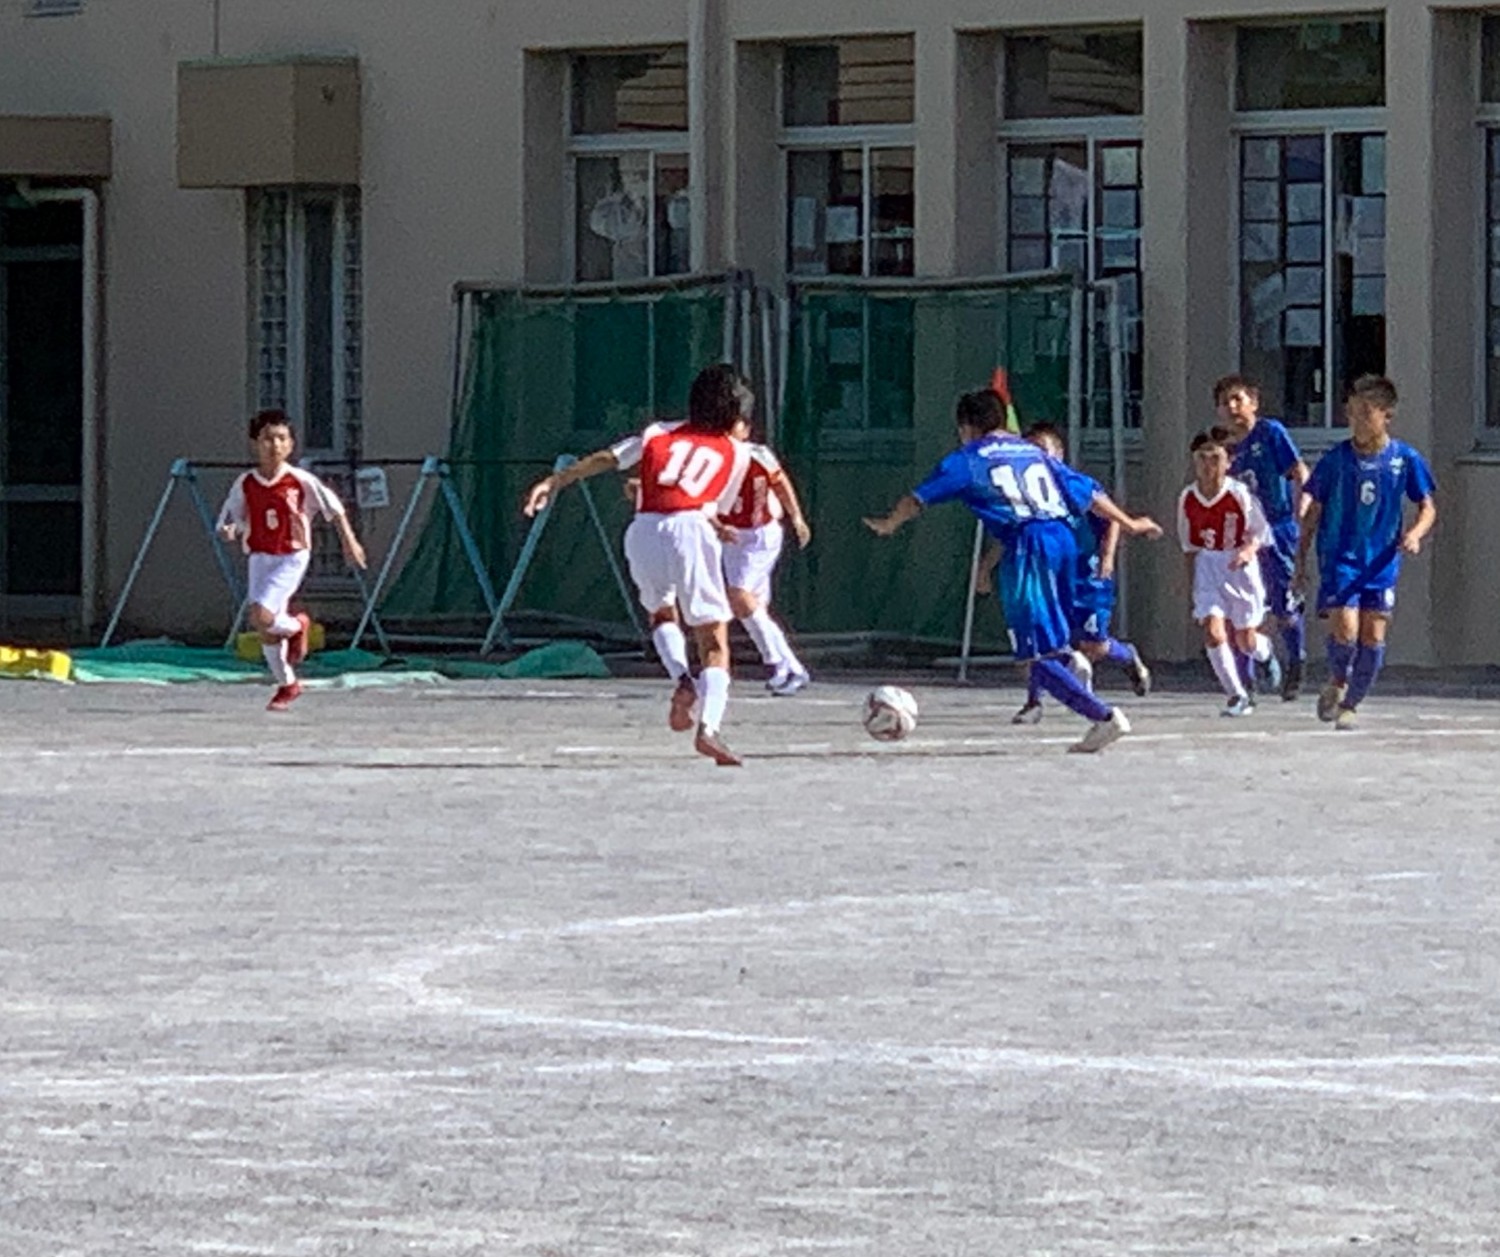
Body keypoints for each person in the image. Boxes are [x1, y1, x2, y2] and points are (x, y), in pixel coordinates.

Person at [863, 388, 1163, 754]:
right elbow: (1089, 494)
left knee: (1033, 656)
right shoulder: (1033, 452)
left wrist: (890, 523)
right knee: (1050, 643)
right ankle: (1069, 660)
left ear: (966, 427)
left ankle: (1103, 716)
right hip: (1063, 540)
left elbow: (918, 499)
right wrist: (1130, 523)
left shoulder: (971, 457)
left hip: (1028, 544)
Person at [523, 363, 752, 766]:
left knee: (661, 612)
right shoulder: (736, 452)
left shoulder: (656, 433)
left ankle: (682, 679)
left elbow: (606, 458)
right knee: (714, 640)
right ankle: (710, 728)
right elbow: (708, 504)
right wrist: (716, 527)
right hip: (690, 529)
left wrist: (553, 482)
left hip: (644, 529)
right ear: (736, 418)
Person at [1297, 375, 1437, 731]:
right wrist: (1299, 559)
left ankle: (1351, 705)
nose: (1356, 420)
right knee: (1346, 630)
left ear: (1386, 415)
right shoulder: (1336, 460)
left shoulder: (1404, 458)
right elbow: (1313, 511)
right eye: (1351, 413)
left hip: (1381, 562)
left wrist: (1415, 534)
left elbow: (1427, 507)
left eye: (1365, 413)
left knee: (1373, 636)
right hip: (1340, 558)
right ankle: (1338, 679)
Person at [996, 422, 1152, 725]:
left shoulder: (1074, 485)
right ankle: (1034, 701)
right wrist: (987, 566)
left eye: (1041, 450)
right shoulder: (1026, 495)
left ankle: (1127, 656)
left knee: (1093, 644)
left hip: (1088, 575)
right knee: (1043, 638)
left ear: (1059, 454)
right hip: (1051, 574)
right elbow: (1015, 536)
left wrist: (1107, 555)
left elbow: (1112, 517)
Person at [217, 408, 367, 711]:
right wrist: (230, 530)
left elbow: (335, 509)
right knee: (264, 625)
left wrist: (349, 542)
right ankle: (287, 683)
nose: (275, 445)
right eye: (267, 439)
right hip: (260, 556)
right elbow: (229, 520)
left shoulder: (300, 480)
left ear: (291, 444)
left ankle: (298, 627)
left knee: (262, 614)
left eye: (281, 439)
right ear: (255, 443)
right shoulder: (245, 483)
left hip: (291, 555)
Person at [1214, 375, 1310, 699]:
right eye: (1225, 402)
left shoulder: (1270, 433)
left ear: (1253, 403)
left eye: (1238, 399)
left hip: (1277, 528)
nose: (1232, 407)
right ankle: (1247, 680)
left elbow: (1299, 470)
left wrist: (1302, 503)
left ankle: (1296, 661)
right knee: (1240, 607)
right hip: (1242, 537)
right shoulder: (1224, 449)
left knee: (1283, 602)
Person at [1177, 429, 1272, 717]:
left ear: (1228, 462)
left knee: (1245, 640)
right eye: (1202, 458)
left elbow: (1260, 532)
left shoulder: (1239, 494)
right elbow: (1189, 546)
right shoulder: (1188, 497)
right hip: (1208, 565)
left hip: (1239, 567)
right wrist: (1192, 587)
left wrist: (1247, 551)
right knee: (1213, 631)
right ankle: (1237, 695)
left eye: (1215, 458)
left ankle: (1265, 652)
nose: (1208, 465)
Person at [720, 415, 813, 695]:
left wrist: (797, 518)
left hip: (760, 535)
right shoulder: (713, 456)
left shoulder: (758, 455)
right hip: (730, 536)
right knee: (752, 607)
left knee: (739, 596)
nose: (728, 433)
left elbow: (781, 482)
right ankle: (788, 669)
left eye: (734, 426)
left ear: (746, 431)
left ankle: (782, 664)